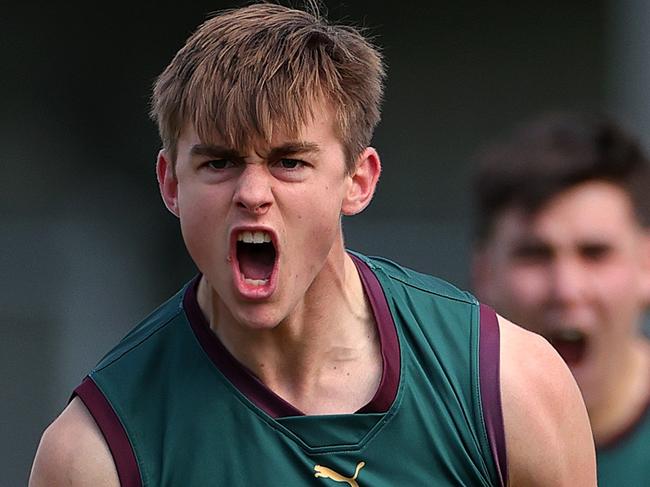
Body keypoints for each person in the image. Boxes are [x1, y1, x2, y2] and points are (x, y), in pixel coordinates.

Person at [30, 4, 595, 485]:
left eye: (289, 162)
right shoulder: (95, 454)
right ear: (171, 183)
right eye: (219, 162)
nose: (253, 194)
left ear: (358, 180)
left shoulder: (510, 389)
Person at [472, 111, 650, 486]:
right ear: (486, 274)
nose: (566, 290)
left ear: (646, 266)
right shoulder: (442, 440)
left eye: (595, 253)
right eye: (534, 254)